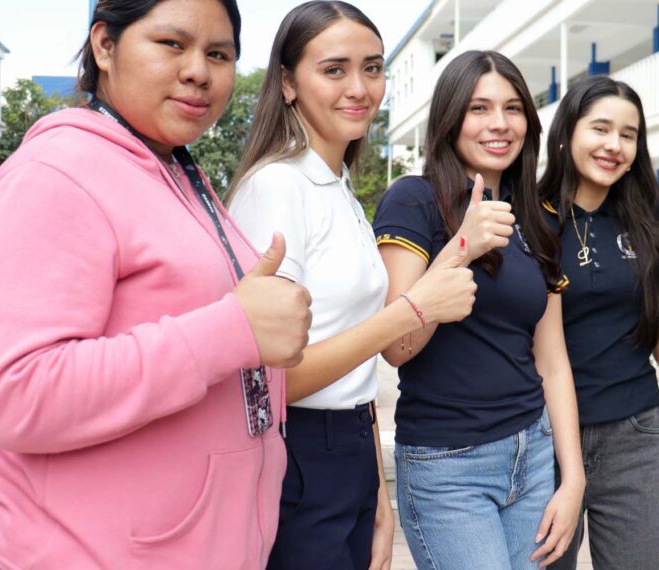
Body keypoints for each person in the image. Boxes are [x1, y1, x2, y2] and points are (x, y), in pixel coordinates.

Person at [0, 0, 311, 567]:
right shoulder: (56, 175)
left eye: (219, 54)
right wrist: (231, 329)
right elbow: (19, 392)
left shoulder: (174, 168)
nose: (198, 70)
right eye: (172, 44)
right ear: (105, 45)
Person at [227, 3, 477, 569]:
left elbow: (356, 374)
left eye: (373, 67)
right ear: (288, 83)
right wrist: (413, 308)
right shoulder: (278, 186)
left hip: (351, 448)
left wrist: (379, 496)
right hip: (297, 452)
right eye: (334, 69)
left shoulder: (337, 186)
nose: (360, 88)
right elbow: (273, 381)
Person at [372, 50, 583, 569]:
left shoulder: (535, 217)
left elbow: (552, 362)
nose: (499, 124)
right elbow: (396, 347)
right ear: (450, 121)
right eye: (479, 108)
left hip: (531, 456)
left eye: (512, 109)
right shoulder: (413, 201)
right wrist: (461, 248)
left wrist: (572, 477)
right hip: (449, 468)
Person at [537, 76, 659, 569]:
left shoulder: (651, 221)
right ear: (567, 133)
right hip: (541, 435)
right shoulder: (531, 216)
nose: (614, 145)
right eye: (601, 129)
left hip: (635, 435)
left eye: (628, 135)